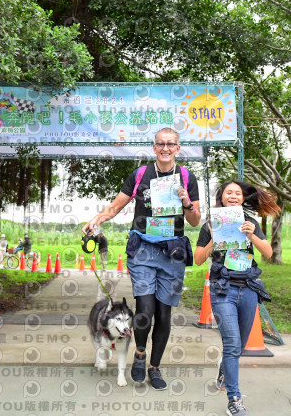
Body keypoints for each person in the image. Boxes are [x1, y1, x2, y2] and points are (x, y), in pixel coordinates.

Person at [82, 127, 200, 390]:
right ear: (154, 147)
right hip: (143, 250)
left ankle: (154, 367)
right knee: (145, 310)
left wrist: (186, 202)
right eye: (161, 144)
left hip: (172, 252)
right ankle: (139, 353)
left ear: (178, 148)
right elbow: (116, 205)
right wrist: (96, 219)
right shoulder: (140, 174)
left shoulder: (186, 177)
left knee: (164, 314)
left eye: (171, 144)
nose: (166, 148)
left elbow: (195, 220)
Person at [194, 180, 280, 416]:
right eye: (228, 192)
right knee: (232, 345)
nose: (233, 196)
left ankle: (224, 367)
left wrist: (252, 235)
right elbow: (198, 259)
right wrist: (214, 238)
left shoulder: (250, 223)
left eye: (237, 193)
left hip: (249, 289)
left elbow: (268, 253)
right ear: (221, 197)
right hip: (223, 290)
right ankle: (234, 399)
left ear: (242, 198)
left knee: (239, 346)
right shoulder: (210, 224)